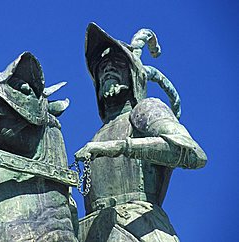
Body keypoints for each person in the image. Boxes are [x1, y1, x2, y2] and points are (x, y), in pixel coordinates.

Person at [74, 23, 207, 242]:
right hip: (93, 230)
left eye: (116, 64)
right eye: (101, 67)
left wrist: (119, 147)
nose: (107, 69)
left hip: (141, 227)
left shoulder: (145, 110)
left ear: (133, 75)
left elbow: (194, 154)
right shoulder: (97, 136)